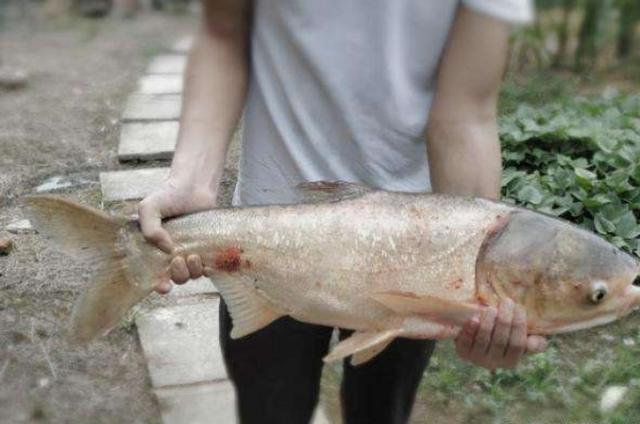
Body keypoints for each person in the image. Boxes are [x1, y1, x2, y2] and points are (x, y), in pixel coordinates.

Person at [139, 1, 548, 423]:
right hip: (266, 244)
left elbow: (464, 114)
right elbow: (224, 33)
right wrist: (191, 180)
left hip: (417, 257)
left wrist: (479, 285)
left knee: (381, 413)